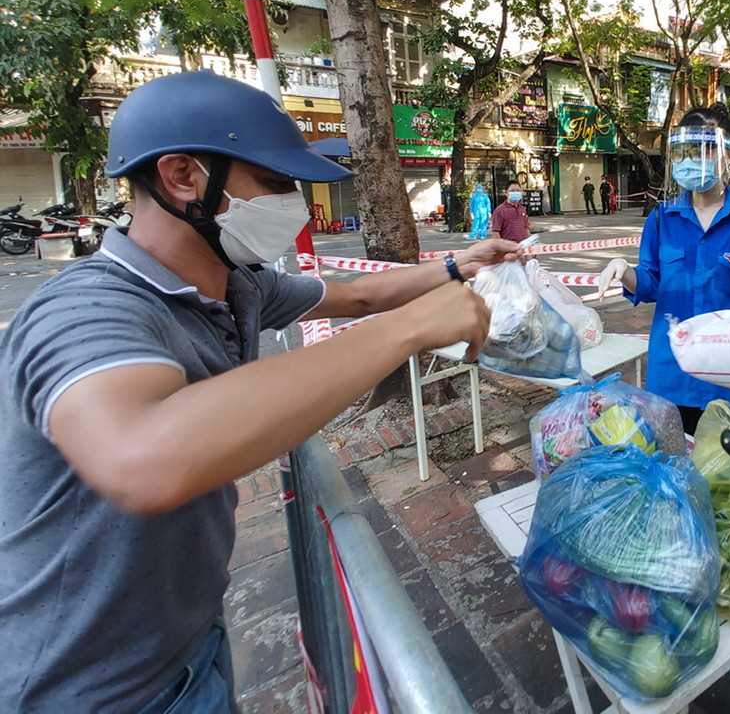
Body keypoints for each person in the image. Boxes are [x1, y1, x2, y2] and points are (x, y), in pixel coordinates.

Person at [0, 70, 521, 714]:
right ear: (182, 176)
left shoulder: (236, 284)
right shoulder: (86, 310)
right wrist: (410, 329)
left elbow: (359, 295)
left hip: (187, 643)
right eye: (275, 183)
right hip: (86, 691)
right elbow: (141, 456)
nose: (293, 204)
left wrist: (456, 264)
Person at [596, 103, 730, 434]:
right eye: (685, 152)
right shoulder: (661, 219)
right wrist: (625, 271)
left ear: (728, 153)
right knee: (675, 458)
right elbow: (652, 283)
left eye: (705, 150)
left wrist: (719, 333)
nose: (693, 160)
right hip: (673, 372)